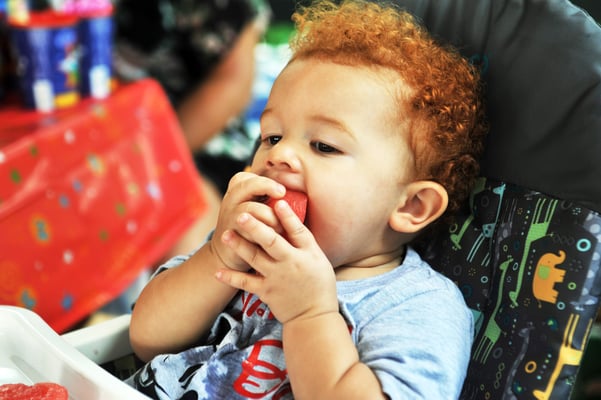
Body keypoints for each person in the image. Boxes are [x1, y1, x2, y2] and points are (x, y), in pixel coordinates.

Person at [125, 0, 488, 398]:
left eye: (324, 146)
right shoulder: (244, 247)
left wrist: (309, 313)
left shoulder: (418, 305)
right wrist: (218, 256)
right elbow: (146, 339)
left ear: (411, 206)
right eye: (272, 136)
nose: (278, 154)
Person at [112, 0, 272, 256]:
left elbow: (233, 83)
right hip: (95, 140)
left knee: (189, 219)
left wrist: (148, 161)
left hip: (192, 146)